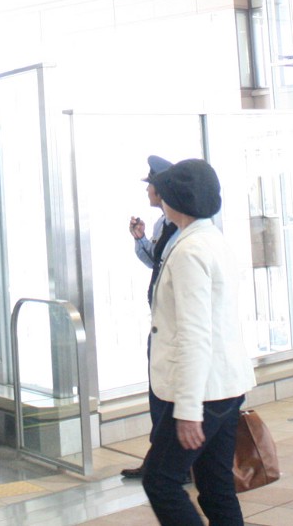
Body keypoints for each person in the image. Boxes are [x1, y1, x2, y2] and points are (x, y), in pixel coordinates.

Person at [142, 158, 254, 526]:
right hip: (225, 385)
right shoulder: (210, 239)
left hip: (203, 393)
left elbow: (194, 333)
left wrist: (188, 409)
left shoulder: (190, 251)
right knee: (216, 485)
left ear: (177, 198)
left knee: (160, 480)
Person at [122, 154, 177, 481]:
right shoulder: (163, 225)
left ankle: (167, 462)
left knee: (167, 394)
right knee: (158, 392)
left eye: (150, 185)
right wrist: (140, 238)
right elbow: (154, 262)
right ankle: (159, 457)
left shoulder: (185, 229)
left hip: (172, 327)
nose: (147, 191)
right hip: (159, 324)